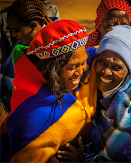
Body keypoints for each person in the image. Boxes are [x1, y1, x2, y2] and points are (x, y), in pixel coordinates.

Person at [58, 25, 131, 163]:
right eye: (102, 62)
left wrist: (84, 159)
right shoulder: (92, 72)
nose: (106, 72)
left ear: (129, 70)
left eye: (117, 68)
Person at [0, 20, 97, 162]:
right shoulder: (32, 117)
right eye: (72, 67)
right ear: (51, 69)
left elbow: (111, 52)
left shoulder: (73, 74)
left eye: (83, 63)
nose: (81, 71)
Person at [86, 0, 131, 116]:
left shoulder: (129, 46)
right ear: (99, 24)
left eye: (123, 25)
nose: (117, 29)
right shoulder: (87, 50)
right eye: (112, 25)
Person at [0, 0, 59, 115]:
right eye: (11, 31)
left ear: (33, 26)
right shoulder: (22, 46)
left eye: (16, 31)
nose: (13, 35)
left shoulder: (56, 46)